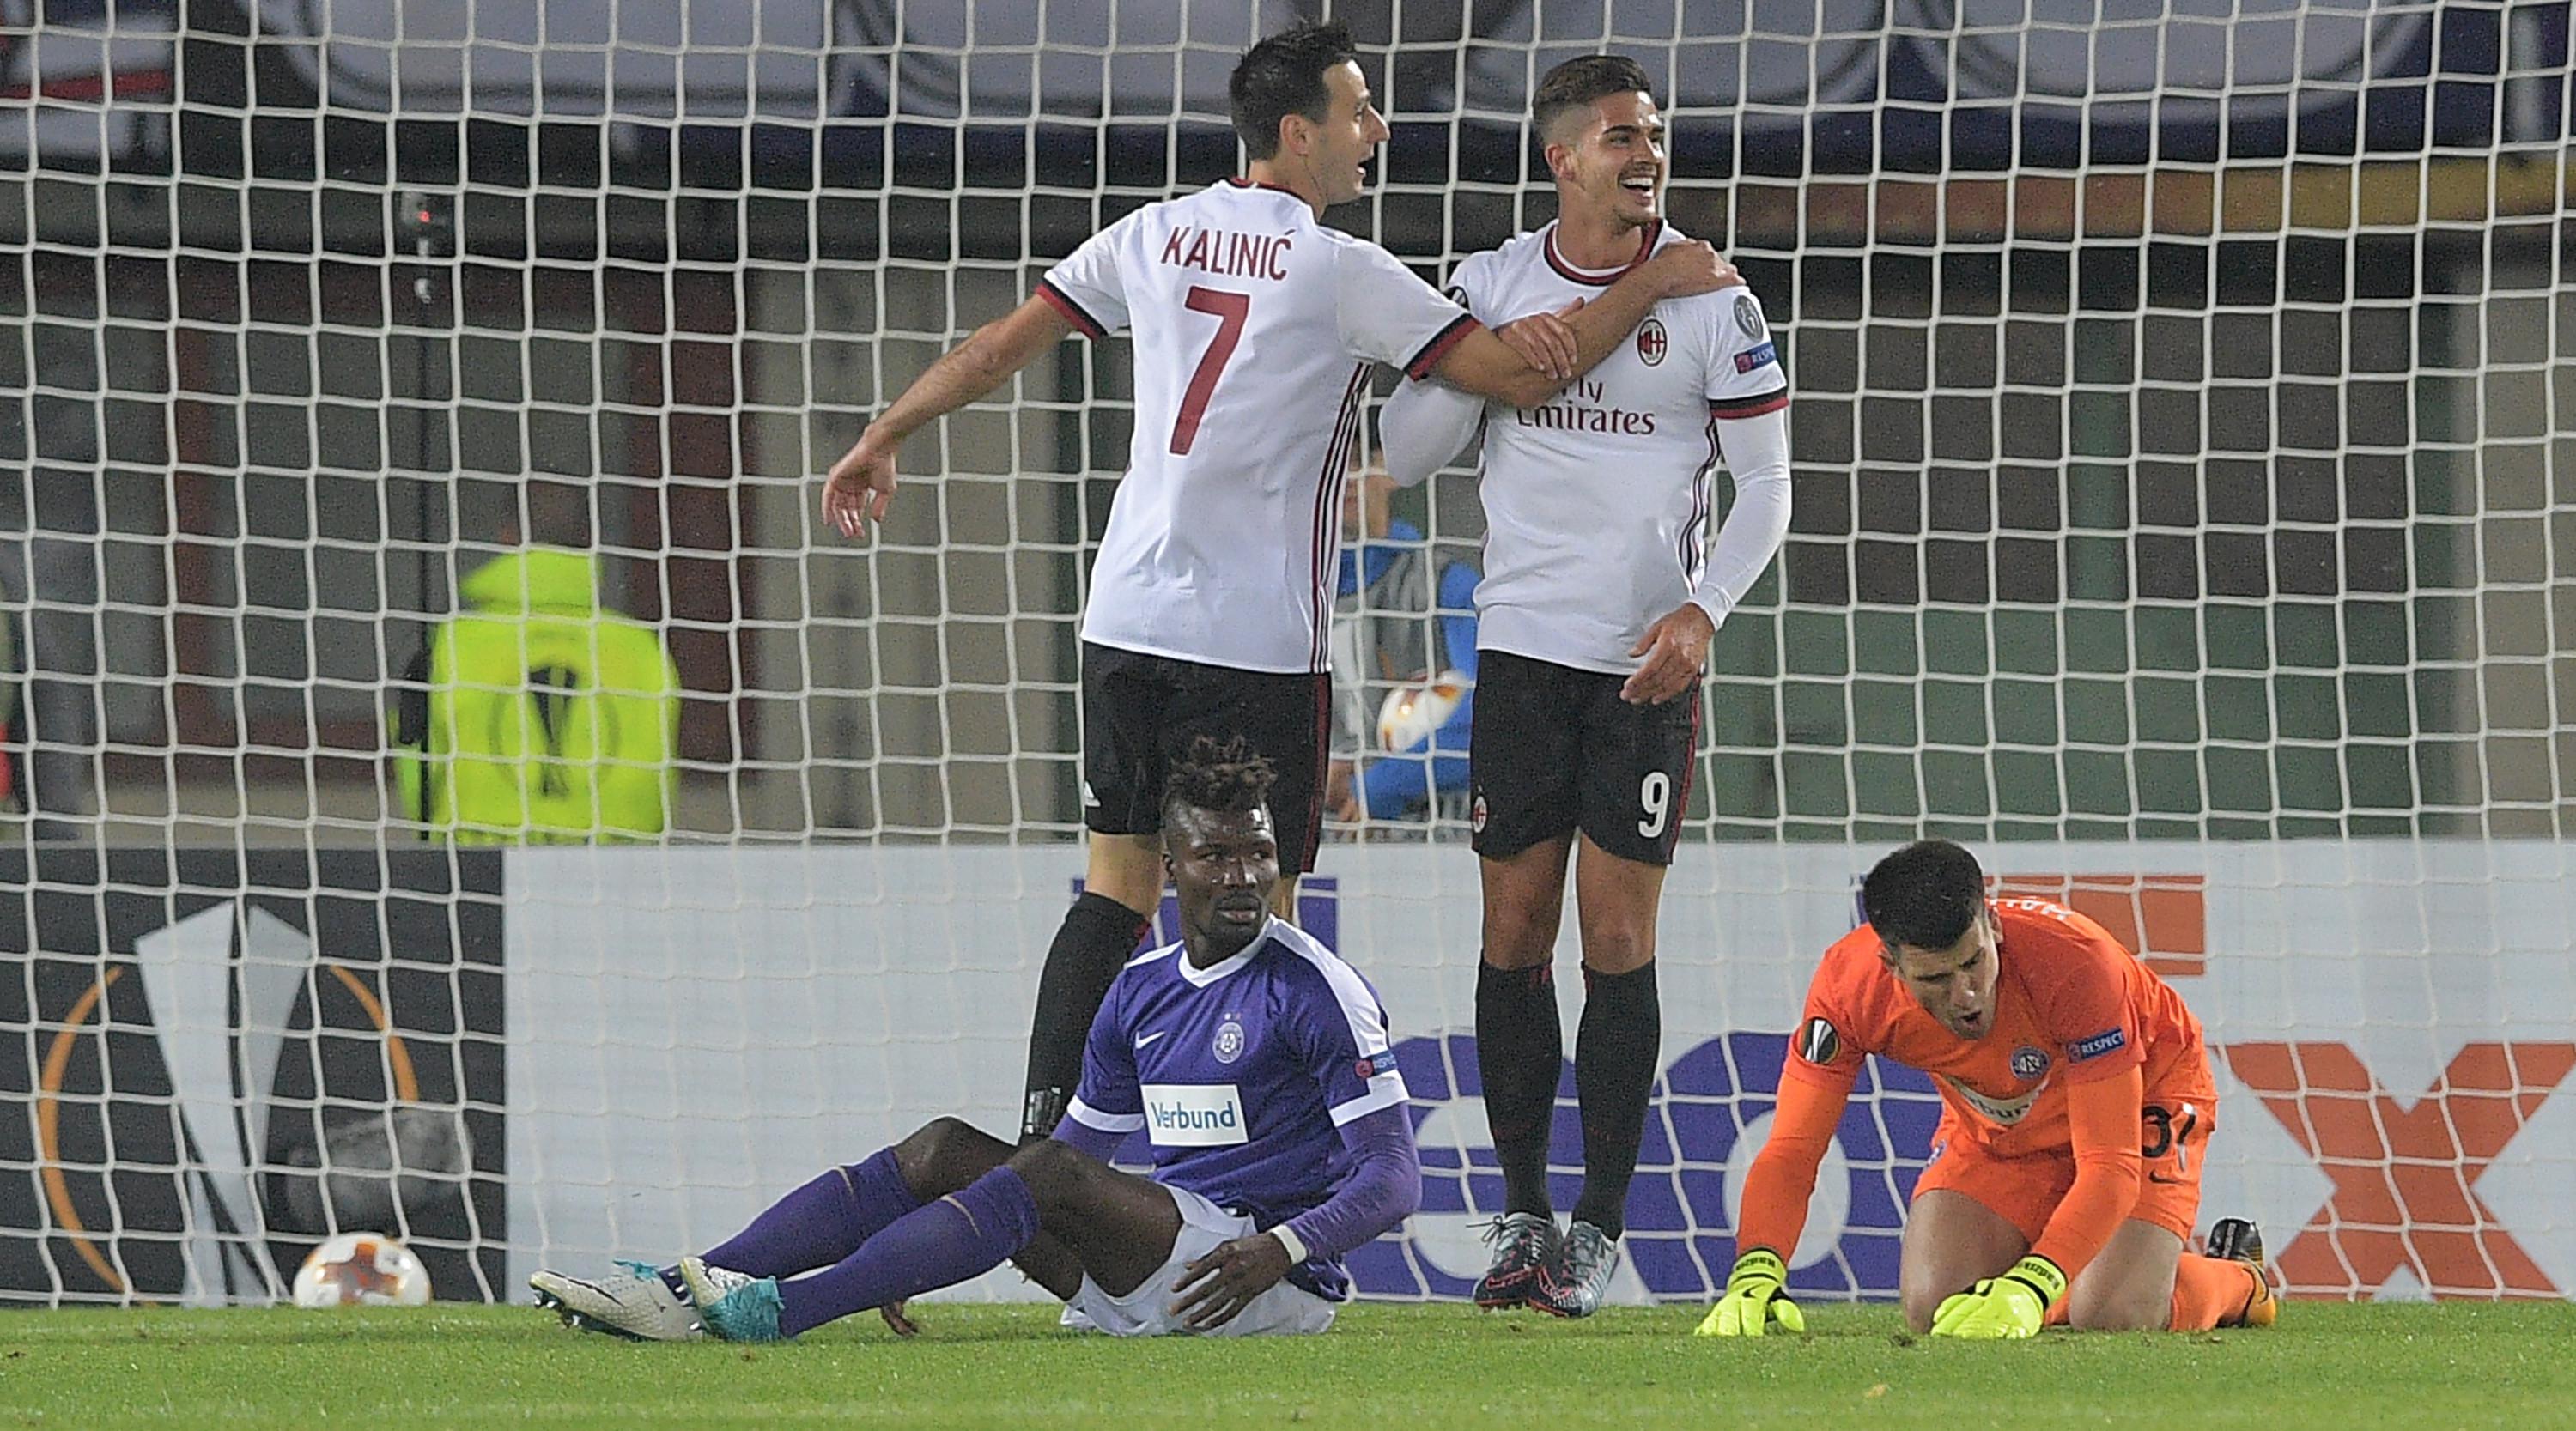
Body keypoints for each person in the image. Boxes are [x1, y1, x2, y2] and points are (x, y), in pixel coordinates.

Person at [817, 21, 1738, 1143]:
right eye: (1359, 112)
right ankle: (1265, 1180)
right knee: (1266, 907)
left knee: (1116, 889)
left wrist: (886, 431)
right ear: (1300, 133)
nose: (1379, 132)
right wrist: (1651, 287)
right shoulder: (1341, 269)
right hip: (1254, 641)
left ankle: (1037, 1150)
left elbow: (1001, 346)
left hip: (1123, 620)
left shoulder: (1151, 235)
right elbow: (1512, 372)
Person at [531, 735, 1422, 1342]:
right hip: (1156, 1265)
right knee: (942, 1149)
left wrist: (1280, 1249)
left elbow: (1394, 1176)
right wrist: (935, 1237)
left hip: (1258, 1280)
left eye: (1258, 853)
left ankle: (780, 1310)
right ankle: (683, 1286)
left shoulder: (1316, 987)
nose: (1245, 876)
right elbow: (1074, 1159)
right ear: (1170, 866)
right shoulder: (1141, 990)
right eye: (1217, 856)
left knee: (1028, 1173)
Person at [1374, 54, 1794, 1315]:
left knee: (1617, 939)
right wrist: (1490, 361)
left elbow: (1768, 486)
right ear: (1561, 157)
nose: (1644, 153)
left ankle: (1600, 1228)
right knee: (1514, 934)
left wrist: (1705, 607)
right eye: (1618, 136)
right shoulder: (1495, 283)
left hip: (1643, 668)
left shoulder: (1716, 297)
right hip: (1518, 657)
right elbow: (1406, 446)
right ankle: (1520, 1214)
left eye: (1653, 133)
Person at [1695, 839, 2277, 1339]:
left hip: (2147, 1081)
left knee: (2113, 1311)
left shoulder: (2076, 966)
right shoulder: (1849, 989)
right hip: (2000, 1118)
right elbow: (1793, 1148)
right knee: (1934, 1306)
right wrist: (1757, 1269)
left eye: (1974, 962)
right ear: (1890, 965)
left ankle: (2237, 1279)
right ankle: (2101, 1265)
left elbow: (2110, 1164)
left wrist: (2031, 1283)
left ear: (1992, 925)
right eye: (1936, 979)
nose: (1966, 994)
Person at [387, 543, 680, 843]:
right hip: (617, 866)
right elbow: (664, 759)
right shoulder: (641, 647)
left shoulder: (449, 643)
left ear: (507, 535)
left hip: (477, 865)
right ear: (586, 533)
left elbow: (414, 760)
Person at [1325, 467, 1479, 828]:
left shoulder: (1447, 585)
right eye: (1334, 461)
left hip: (1446, 831)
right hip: (1331, 829)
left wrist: (1381, 785)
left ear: (1392, 470)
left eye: (1358, 460)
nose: (1346, 477)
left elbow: (1495, 710)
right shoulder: (1291, 596)